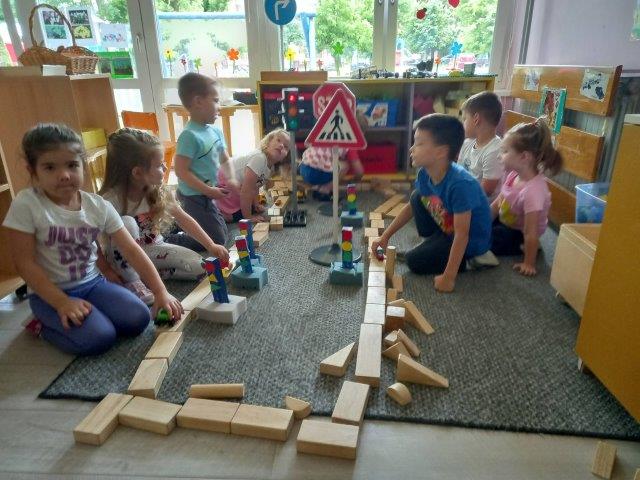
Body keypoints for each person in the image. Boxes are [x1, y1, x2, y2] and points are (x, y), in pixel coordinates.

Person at [2, 124, 183, 355]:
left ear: (83, 165)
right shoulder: (27, 205)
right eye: (50, 167)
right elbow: (24, 264)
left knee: (138, 318)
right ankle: (40, 325)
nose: (64, 174)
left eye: (72, 165)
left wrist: (160, 291)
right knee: (100, 338)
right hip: (49, 294)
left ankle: (92, 316)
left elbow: (132, 250)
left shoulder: (97, 205)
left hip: (93, 284)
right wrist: (61, 302)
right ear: (32, 170)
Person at [99, 128, 230, 303]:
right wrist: (107, 270)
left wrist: (211, 245)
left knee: (200, 267)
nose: (166, 167)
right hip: (124, 259)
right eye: (159, 165)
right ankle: (133, 280)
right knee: (127, 223)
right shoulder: (110, 200)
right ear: (137, 173)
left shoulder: (159, 192)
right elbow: (91, 240)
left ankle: (148, 275)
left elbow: (184, 219)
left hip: (155, 249)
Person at [371, 114, 497, 293]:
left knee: (414, 261)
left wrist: (449, 277)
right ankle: (437, 244)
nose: (411, 149)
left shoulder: (461, 185)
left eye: (419, 144)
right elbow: (411, 207)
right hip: (449, 226)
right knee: (417, 197)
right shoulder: (425, 172)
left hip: (470, 241)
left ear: (440, 152)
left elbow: (462, 234)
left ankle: (471, 260)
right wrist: (385, 236)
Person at [490, 118, 563, 276]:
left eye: (505, 151)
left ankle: (530, 249)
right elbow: (498, 202)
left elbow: (531, 232)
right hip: (507, 219)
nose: (499, 156)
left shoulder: (533, 191)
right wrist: (483, 219)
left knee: (485, 239)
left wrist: (529, 263)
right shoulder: (513, 174)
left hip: (520, 234)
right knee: (476, 222)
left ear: (524, 157)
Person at [173, 73, 237, 247]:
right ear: (198, 102)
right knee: (217, 240)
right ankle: (170, 236)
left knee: (223, 231)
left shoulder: (215, 132)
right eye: (215, 100)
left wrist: (231, 178)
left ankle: (182, 221)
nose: (219, 106)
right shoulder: (189, 135)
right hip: (192, 197)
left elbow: (225, 159)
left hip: (208, 195)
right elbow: (181, 171)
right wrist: (208, 190)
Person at [216, 128, 290, 223]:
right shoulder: (259, 158)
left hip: (238, 183)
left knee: (249, 206)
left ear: (285, 156)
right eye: (278, 140)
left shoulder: (270, 167)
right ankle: (223, 213)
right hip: (224, 178)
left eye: (286, 146)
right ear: (268, 142)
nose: (281, 145)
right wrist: (248, 217)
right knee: (239, 214)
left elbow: (256, 185)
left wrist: (256, 204)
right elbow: (246, 191)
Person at [299, 114, 367, 201]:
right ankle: (325, 190)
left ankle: (317, 187)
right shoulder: (349, 144)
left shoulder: (328, 132)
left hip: (303, 168)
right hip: (316, 173)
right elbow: (359, 171)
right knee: (345, 165)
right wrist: (356, 179)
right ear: (359, 134)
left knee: (327, 163)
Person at [458, 91, 503, 201]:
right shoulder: (467, 143)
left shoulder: (495, 150)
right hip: (464, 196)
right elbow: (458, 173)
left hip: (481, 205)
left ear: (476, 119)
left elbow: (485, 192)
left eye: (464, 119)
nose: (462, 123)